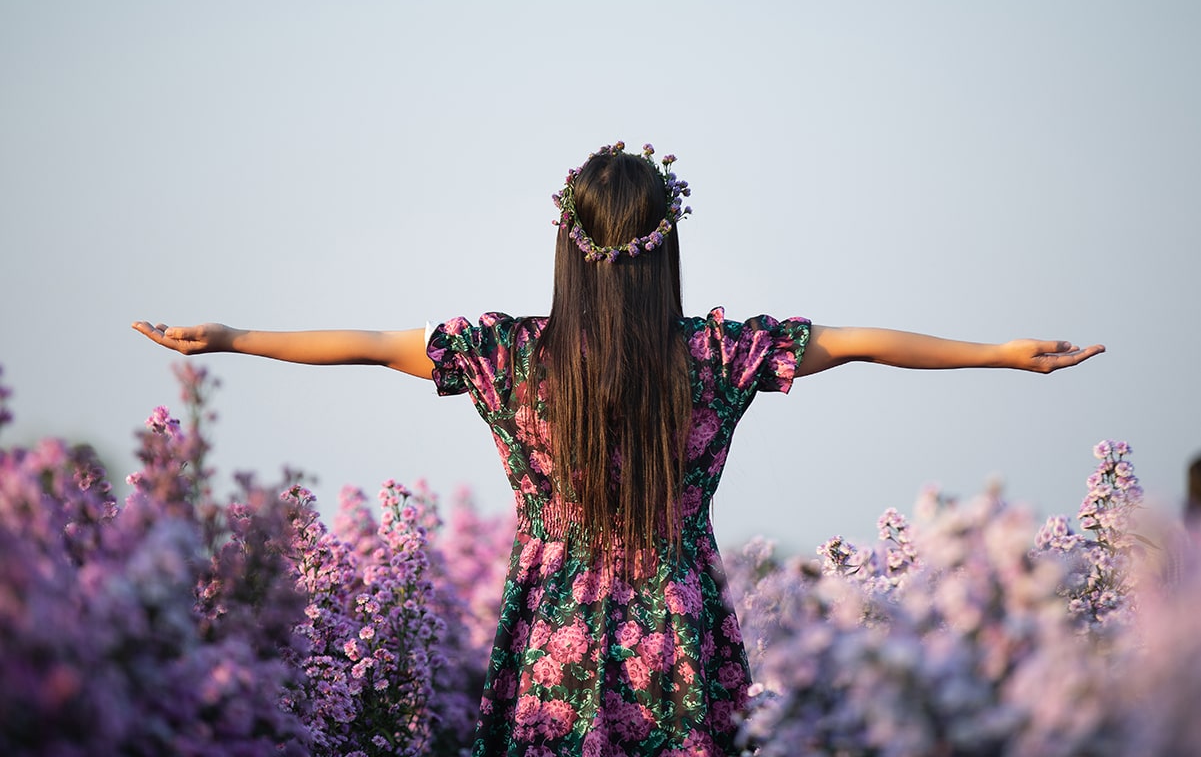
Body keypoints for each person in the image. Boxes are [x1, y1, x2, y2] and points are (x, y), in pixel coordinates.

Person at [133, 141, 1104, 756]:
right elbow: (856, 341)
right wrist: (1004, 357)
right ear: (665, 243)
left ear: (566, 242)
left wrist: (227, 336)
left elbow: (363, 343)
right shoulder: (714, 355)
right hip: (678, 629)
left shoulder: (509, 354)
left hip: (549, 640)